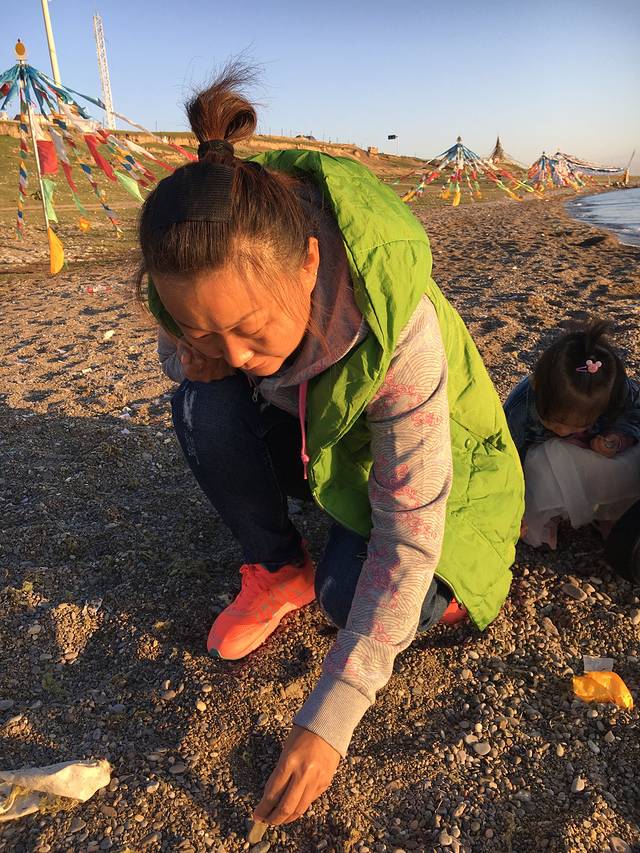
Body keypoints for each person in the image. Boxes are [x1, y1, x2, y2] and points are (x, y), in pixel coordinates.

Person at [137, 65, 523, 827]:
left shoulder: (398, 331)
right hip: (335, 453)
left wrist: (331, 716)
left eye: (251, 328)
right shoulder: (204, 283)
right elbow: (189, 348)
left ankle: (431, 587)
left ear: (310, 262)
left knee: (356, 597)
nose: (236, 353)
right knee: (201, 399)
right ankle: (279, 567)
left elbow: (409, 533)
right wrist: (192, 357)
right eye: (200, 327)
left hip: (449, 481)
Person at [504, 320, 640, 549]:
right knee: (542, 461)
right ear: (537, 386)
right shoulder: (519, 410)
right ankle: (549, 515)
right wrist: (513, 509)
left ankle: (610, 513)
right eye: (557, 422)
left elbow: (635, 411)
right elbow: (506, 459)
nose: (565, 431)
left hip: (594, 457)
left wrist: (618, 437)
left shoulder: (613, 388)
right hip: (546, 465)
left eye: (583, 424)